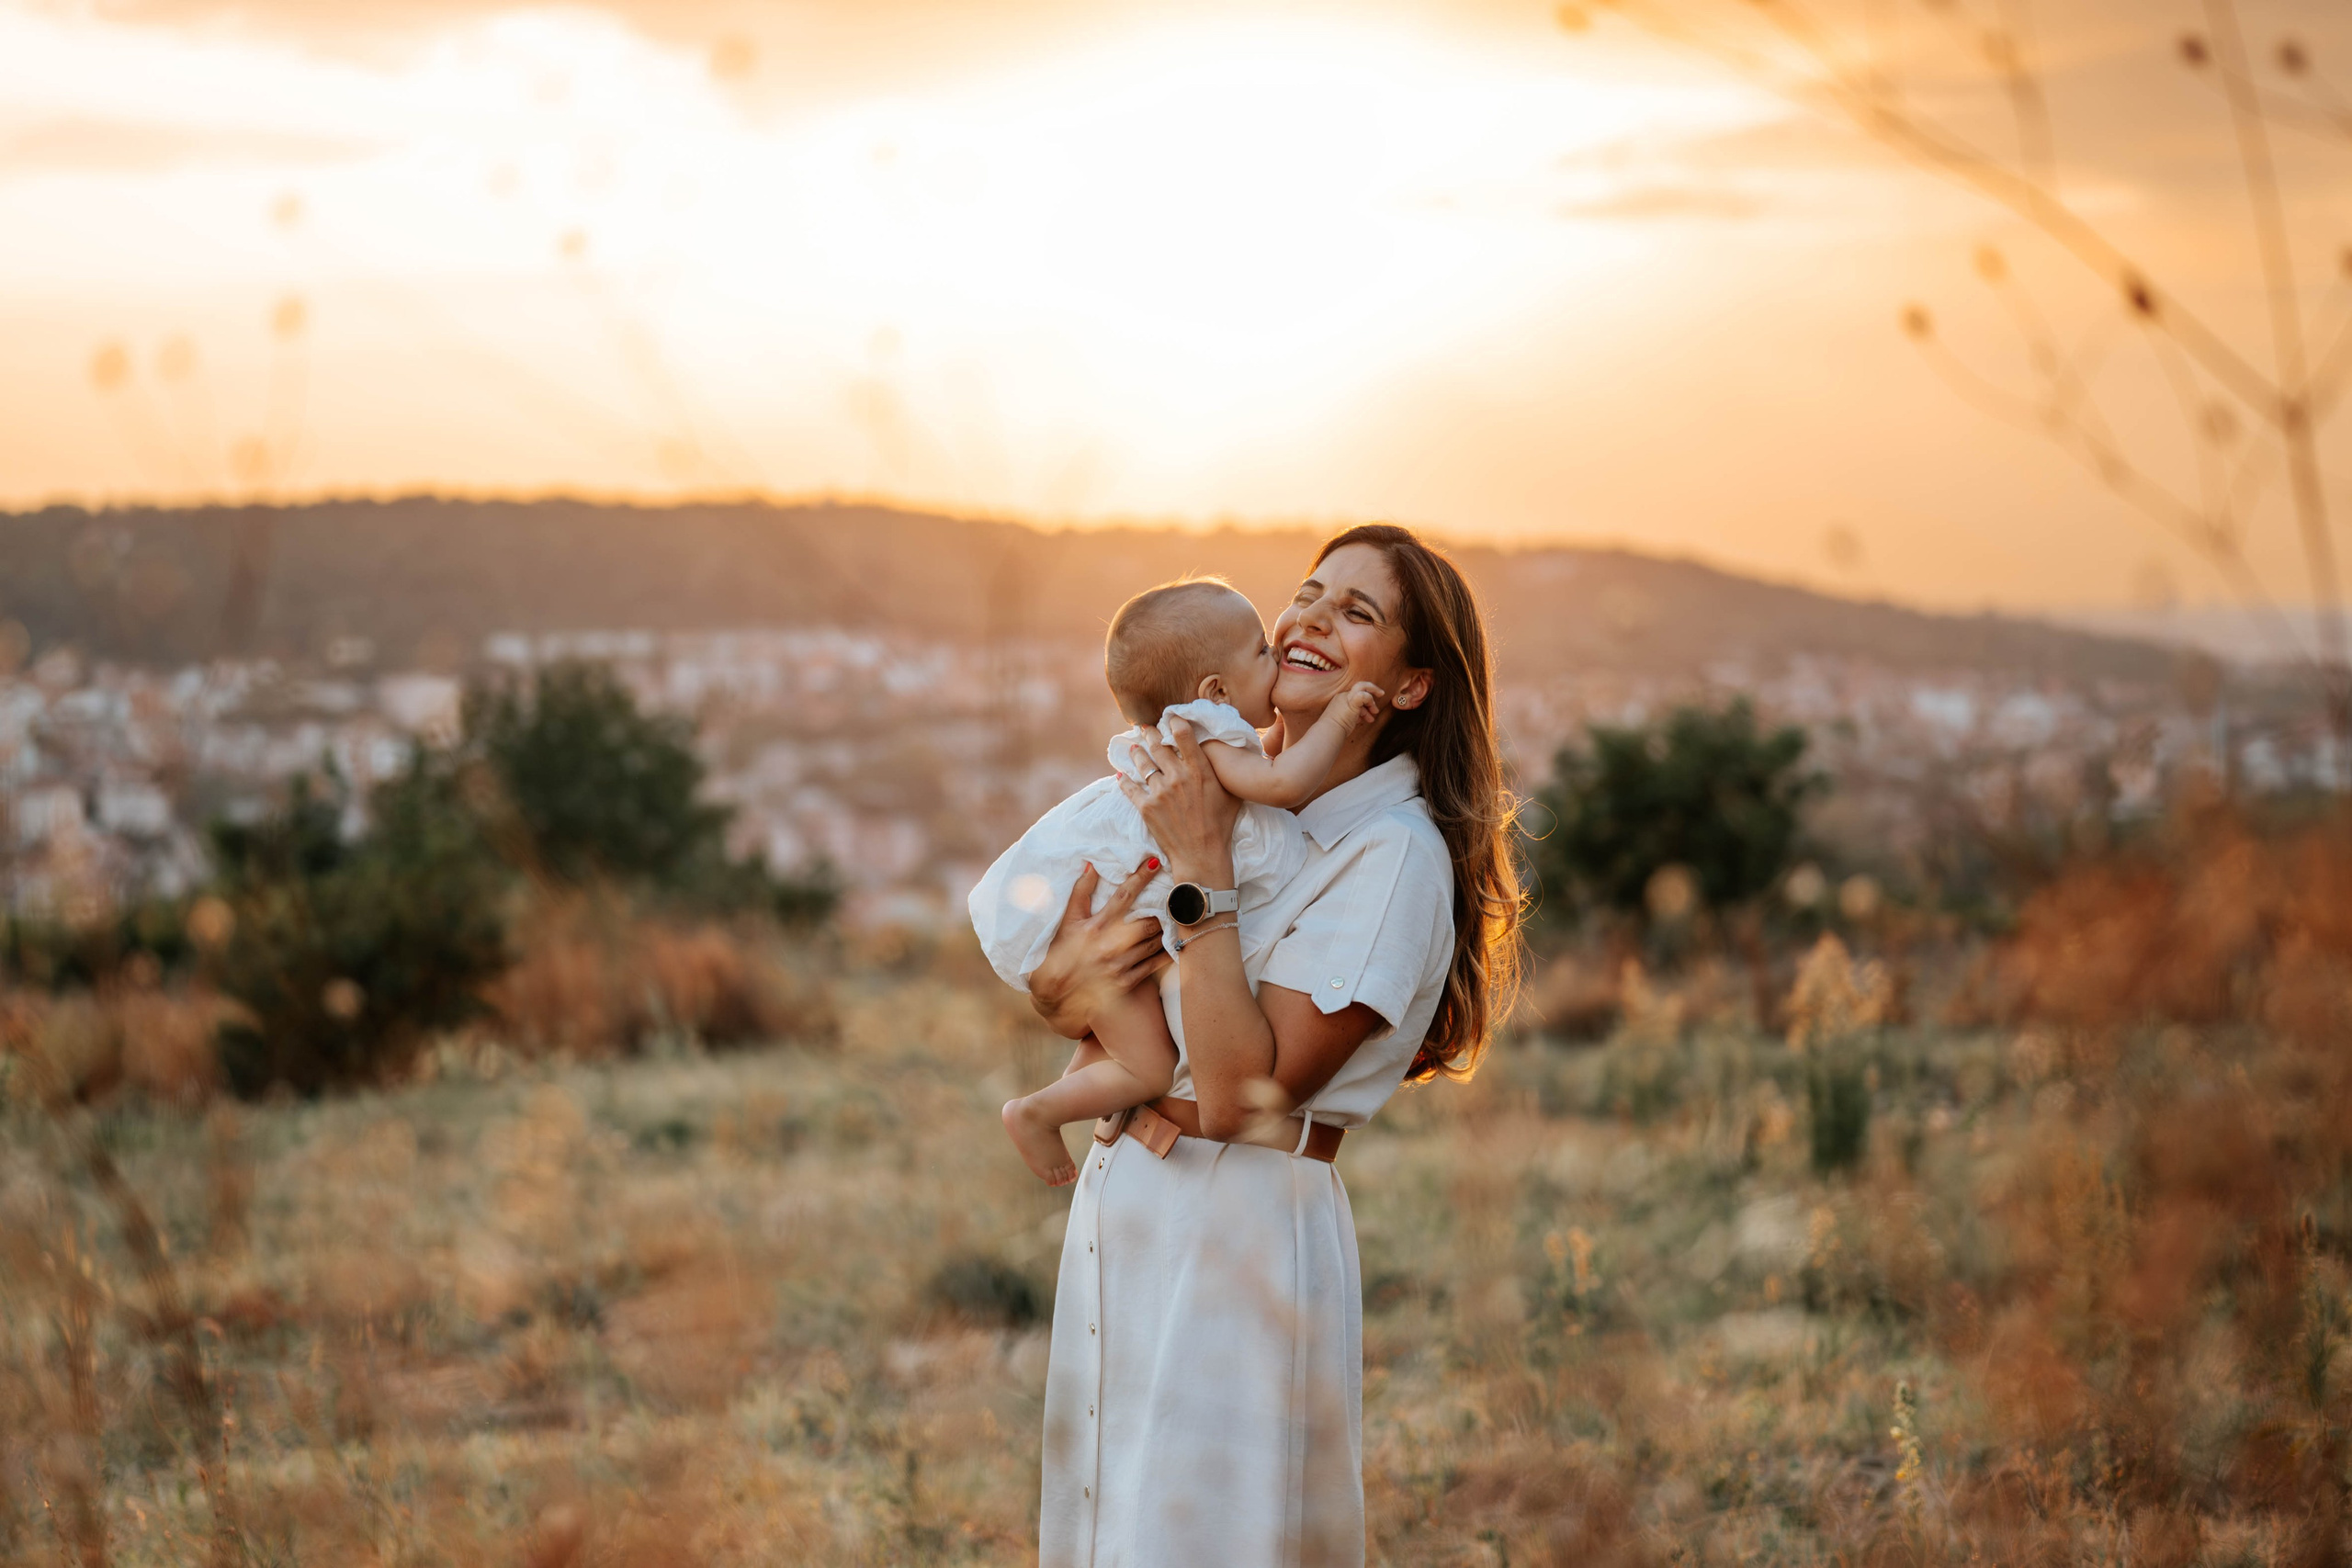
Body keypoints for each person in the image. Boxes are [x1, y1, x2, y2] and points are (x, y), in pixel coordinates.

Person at [1022, 525, 1524, 1568]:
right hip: (1135, 1203)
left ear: (1413, 684)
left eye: (1358, 613)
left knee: (1208, 1538)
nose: (1309, 623)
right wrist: (1061, 993)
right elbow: (1115, 1001)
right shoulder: (1246, 809)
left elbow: (1245, 1089)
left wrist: (1200, 874)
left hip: (1239, 1227)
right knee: (1111, 1529)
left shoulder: (1392, 859)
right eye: (1309, 593)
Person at [969, 576, 1381, 1185]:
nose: (1275, 656)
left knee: (1128, 1040)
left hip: (1117, 922)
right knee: (1150, 1066)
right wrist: (1344, 715)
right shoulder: (1208, 740)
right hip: (1125, 915)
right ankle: (1037, 1110)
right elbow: (1284, 784)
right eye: (1262, 653)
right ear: (1214, 691)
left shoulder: (1180, 735)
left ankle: (1060, 1102)